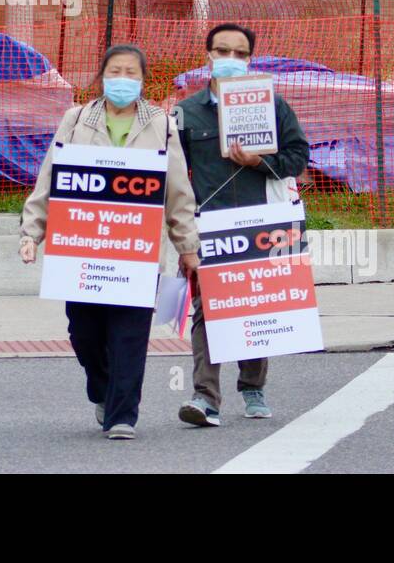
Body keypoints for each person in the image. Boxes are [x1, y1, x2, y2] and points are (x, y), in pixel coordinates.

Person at [20, 43, 200, 440]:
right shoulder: (77, 118)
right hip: (81, 250)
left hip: (136, 252)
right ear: (102, 76)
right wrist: (32, 232)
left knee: (129, 335)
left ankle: (122, 415)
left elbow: (178, 191)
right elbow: (51, 177)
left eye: (131, 73)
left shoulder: (161, 124)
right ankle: (101, 389)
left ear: (143, 79)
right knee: (84, 332)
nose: (123, 80)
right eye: (115, 71)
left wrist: (188, 246)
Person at [175, 22, 310, 427]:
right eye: (222, 51)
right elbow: (175, 172)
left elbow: (299, 156)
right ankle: (205, 397)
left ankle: (252, 386)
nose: (230, 59)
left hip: (262, 221)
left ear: (250, 59)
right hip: (210, 224)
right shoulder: (187, 112)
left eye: (239, 53)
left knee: (254, 304)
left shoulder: (274, 106)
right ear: (208, 56)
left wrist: (260, 162)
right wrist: (182, 234)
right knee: (208, 309)